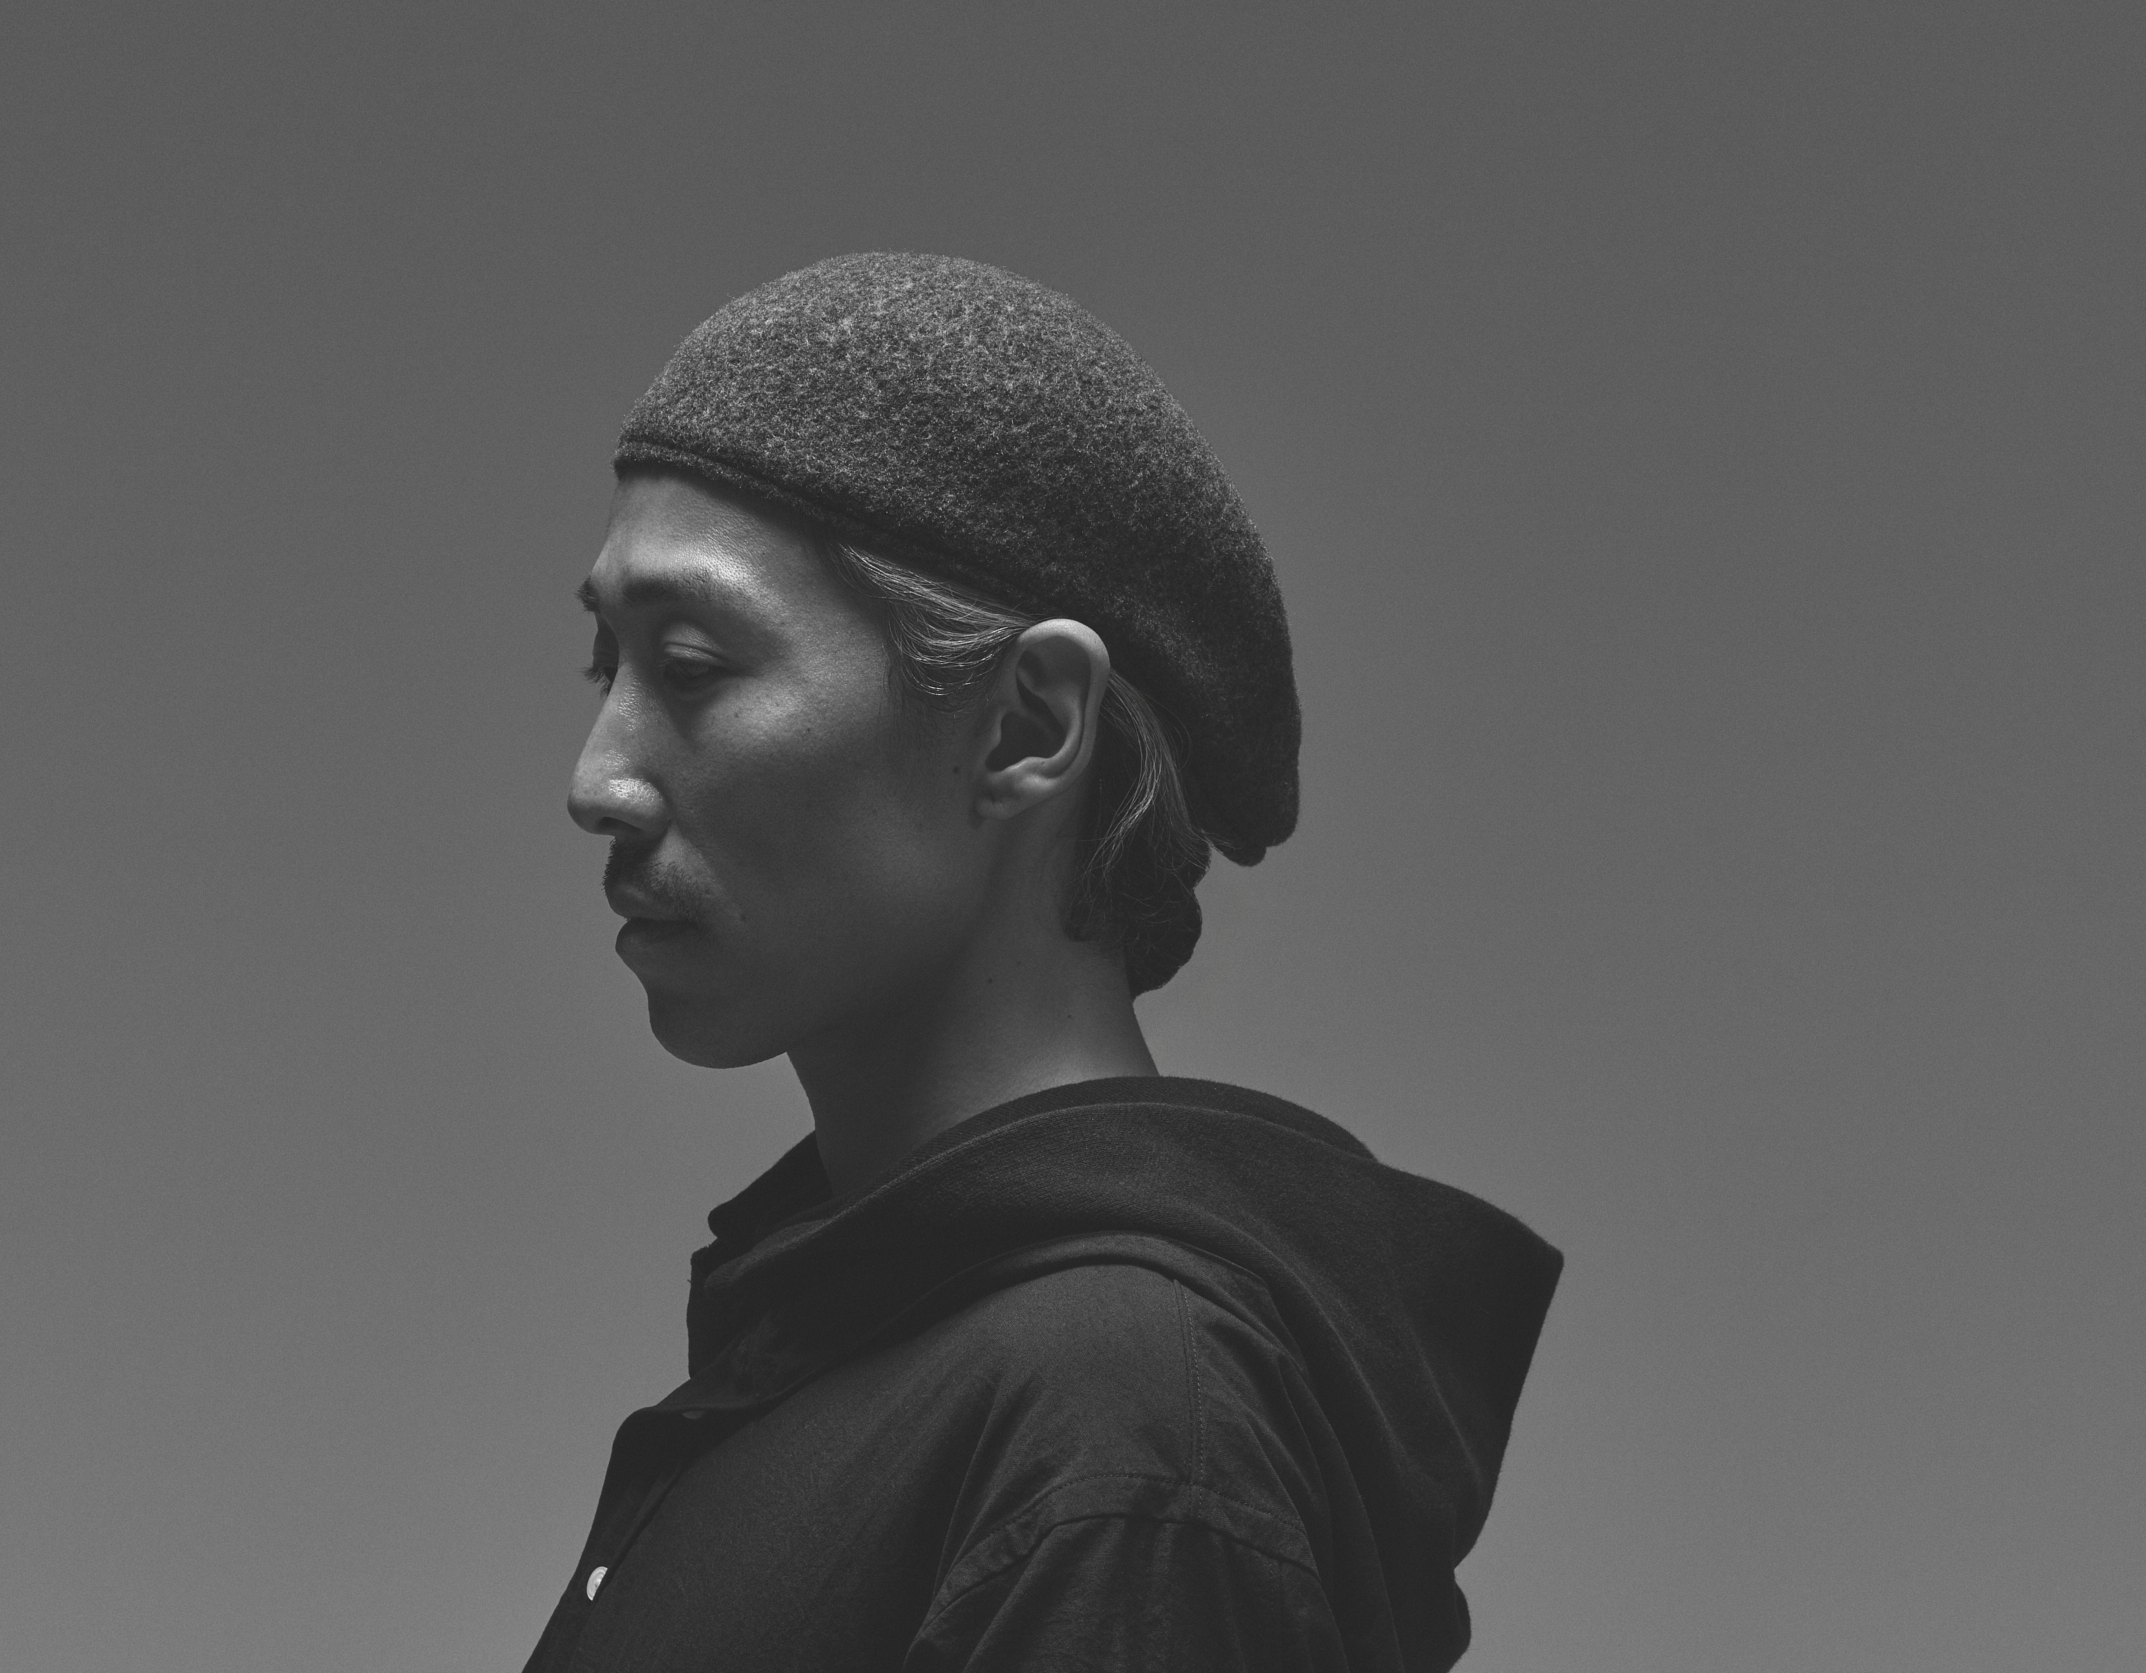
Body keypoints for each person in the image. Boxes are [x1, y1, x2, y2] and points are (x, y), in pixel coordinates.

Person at [524, 253, 1561, 1672]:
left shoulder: (1118, 1426)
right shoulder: (893, 1361)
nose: (597, 780)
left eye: (693, 665)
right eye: (607, 666)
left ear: (1027, 725)